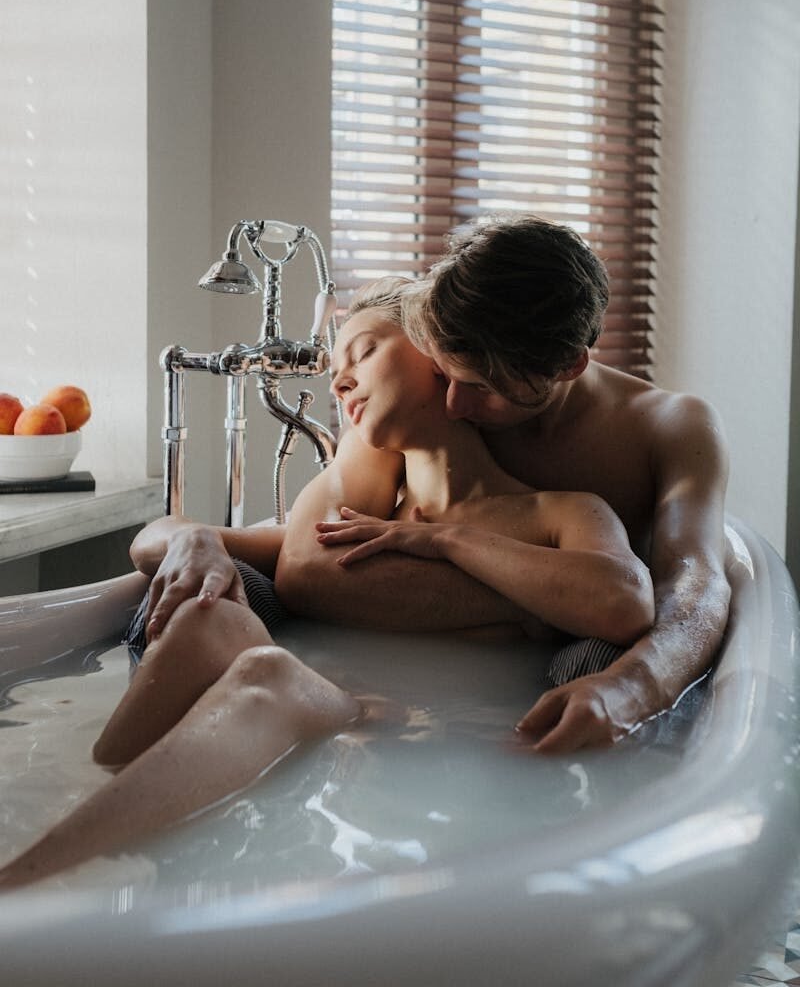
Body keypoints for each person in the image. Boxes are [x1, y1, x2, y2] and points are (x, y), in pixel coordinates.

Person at [0, 278, 652, 889]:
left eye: (364, 352)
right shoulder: (360, 522)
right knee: (210, 620)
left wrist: (447, 539)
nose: (339, 378)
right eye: (338, 365)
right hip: (327, 721)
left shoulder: (560, 512)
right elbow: (160, 540)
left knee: (268, 676)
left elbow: (624, 598)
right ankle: (60, 845)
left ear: (443, 355)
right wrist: (197, 538)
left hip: (437, 738)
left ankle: (30, 894)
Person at [121, 212, 730, 750]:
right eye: (443, 370)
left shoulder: (668, 429)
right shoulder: (415, 409)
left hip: (519, 694)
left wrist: (632, 688)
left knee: (614, 670)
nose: (454, 401)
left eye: (484, 390)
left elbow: (693, 590)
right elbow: (308, 566)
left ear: (570, 365)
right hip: (399, 687)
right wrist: (550, 606)